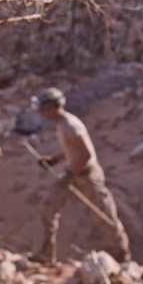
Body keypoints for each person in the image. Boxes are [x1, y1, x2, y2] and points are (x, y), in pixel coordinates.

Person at [32, 88, 131, 265]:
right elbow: (73, 150)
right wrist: (54, 160)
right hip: (74, 172)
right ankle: (47, 253)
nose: (40, 112)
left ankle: (121, 253)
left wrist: (73, 173)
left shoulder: (71, 126)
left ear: (52, 107)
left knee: (103, 214)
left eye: (42, 108)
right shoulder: (61, 124)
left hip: (88, 175)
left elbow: (85, 154)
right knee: (47, 206)